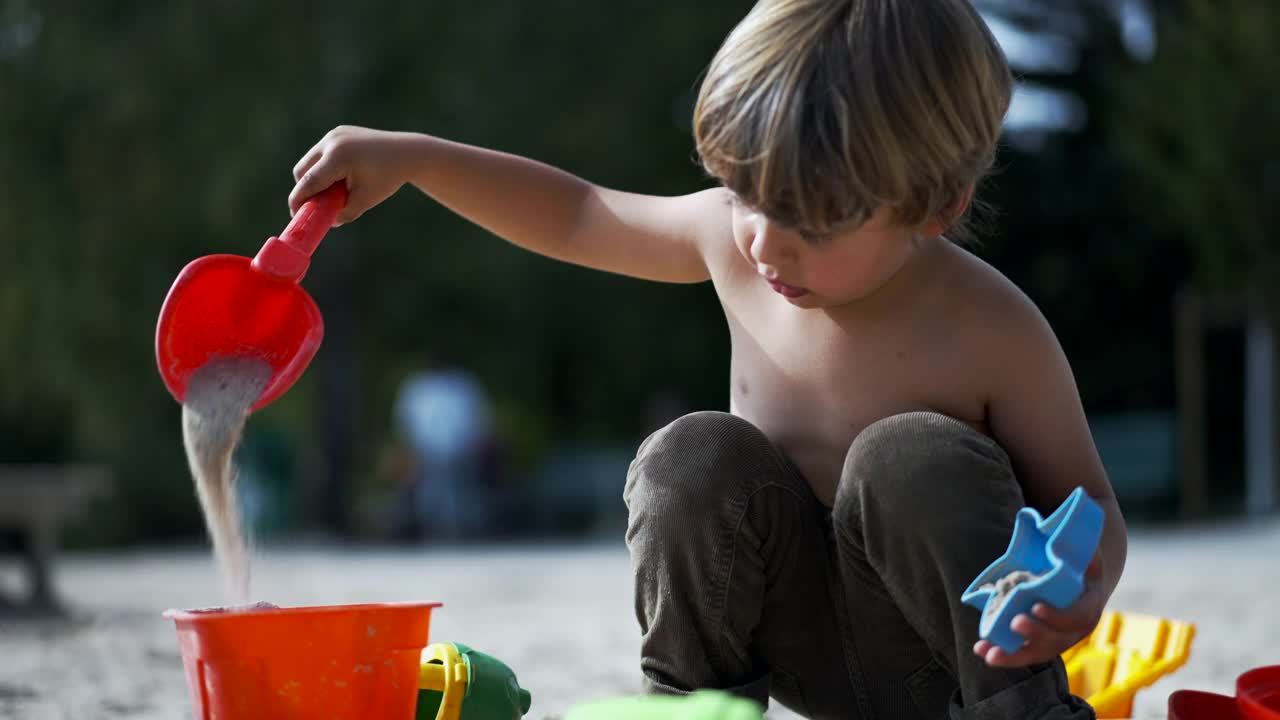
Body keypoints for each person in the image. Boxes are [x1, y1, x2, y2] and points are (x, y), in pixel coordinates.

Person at [287, 1, 1126, 716]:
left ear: (935, 205)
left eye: (813, 220)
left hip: (954, 665)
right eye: (748, 193)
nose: (765, 241)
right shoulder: (734, 242)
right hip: (793, 648)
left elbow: (1088, 514)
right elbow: (579, 214)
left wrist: (1079, 600)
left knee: (906, 457)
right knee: (690, 455)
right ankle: (687, 711)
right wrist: (418, 160)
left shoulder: (990, 326)